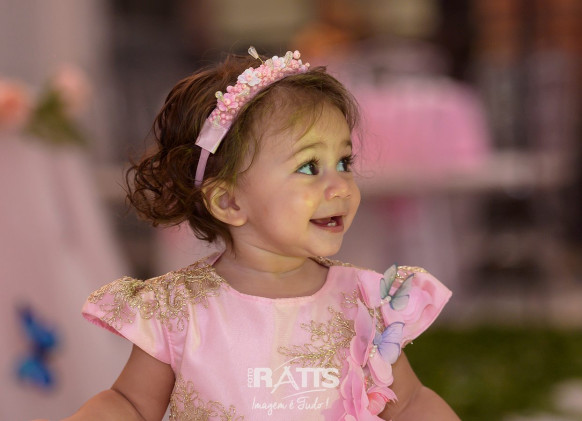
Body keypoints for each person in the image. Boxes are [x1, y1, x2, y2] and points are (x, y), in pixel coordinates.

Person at [54, 47, 460, 420]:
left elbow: (409, 403)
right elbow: (130, 403)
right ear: (229, 202)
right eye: (309, 167)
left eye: (343, 162)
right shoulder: (179, 310)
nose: (339, 186)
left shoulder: (363, 303)